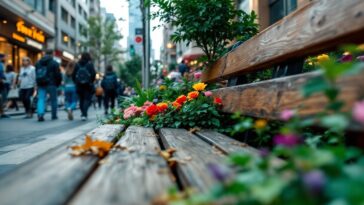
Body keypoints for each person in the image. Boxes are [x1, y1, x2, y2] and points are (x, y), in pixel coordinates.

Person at [35, 50, 62, 121]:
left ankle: (40, 114)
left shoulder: (38, 63)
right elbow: (58, 75)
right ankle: (54, 115)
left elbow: (37, 74)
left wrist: (37, 83)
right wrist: (58, 83)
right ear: (52, 54)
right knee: (53, 100)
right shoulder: (54, 63)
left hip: (41, 83)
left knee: (41, 99)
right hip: (52, 84)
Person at [73, 52, 96, 121]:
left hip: (79, 85)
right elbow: (93, 74)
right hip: (88, 85)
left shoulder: (77, 64)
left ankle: (83, 113)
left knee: (81, 99)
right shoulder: (90, 64)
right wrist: (90, 81)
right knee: (87, 99)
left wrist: (76, 82)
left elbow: (73, 75)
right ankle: (84, 114)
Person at [0, 54, 9, 118]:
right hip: (1, 83)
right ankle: (2, 112)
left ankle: (2, 112)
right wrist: (1, 80)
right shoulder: (0, 64)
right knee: (4, 97)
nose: (6, 58)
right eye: (5, 57)